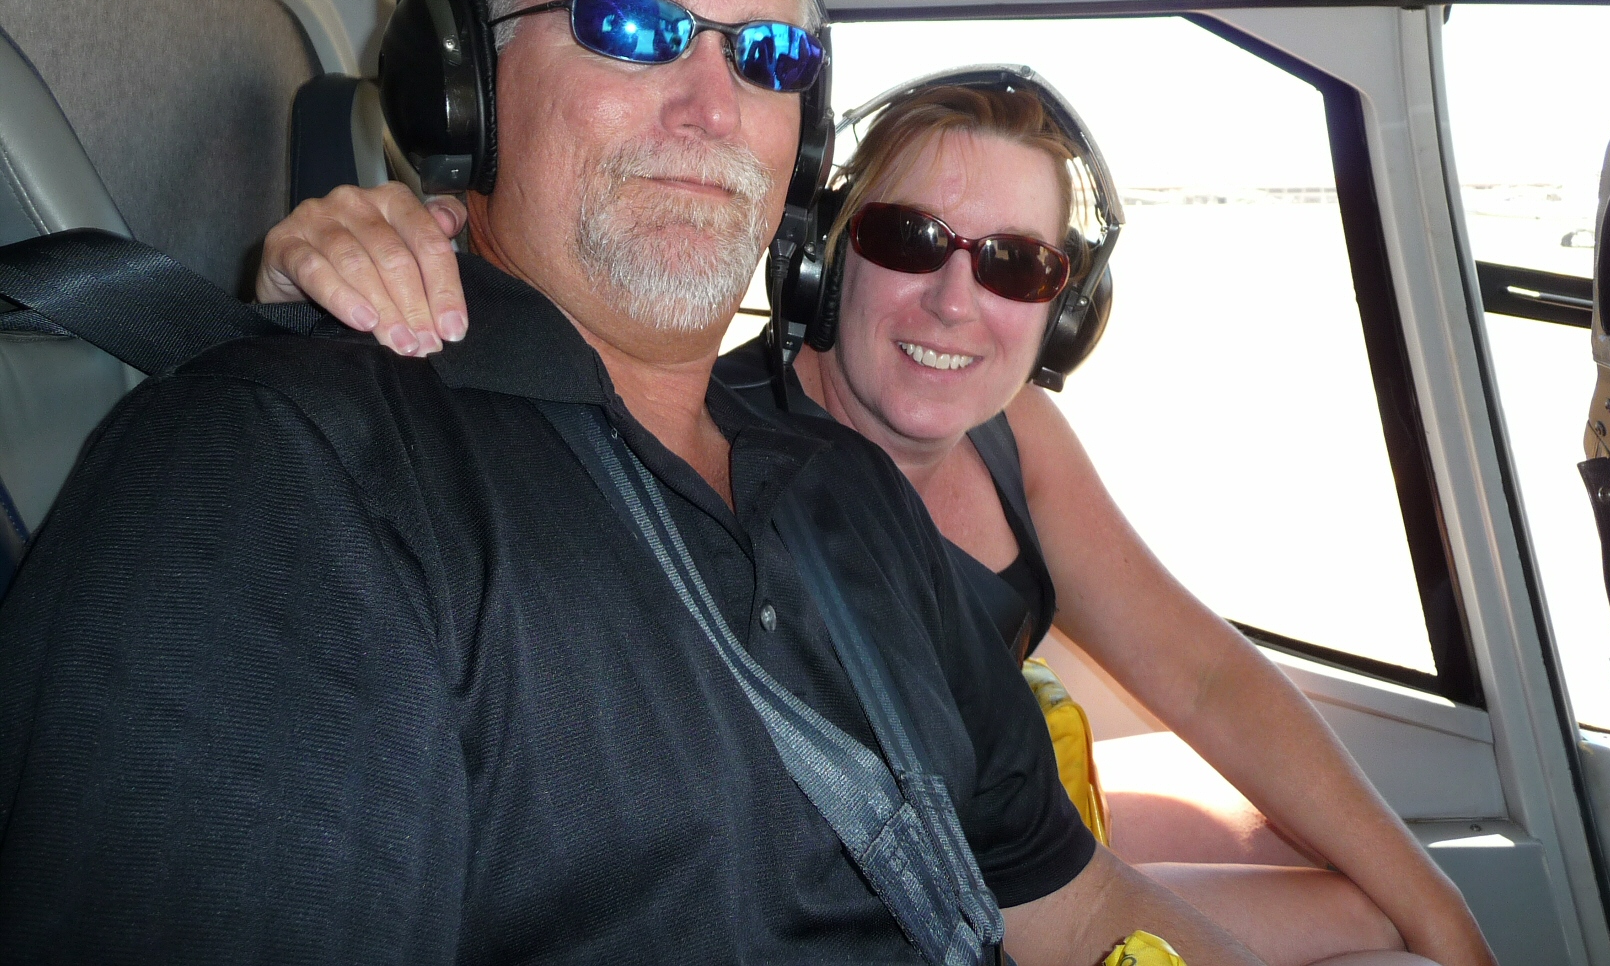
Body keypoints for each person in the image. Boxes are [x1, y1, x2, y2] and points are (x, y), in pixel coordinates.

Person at [0, 0, 1275, 964]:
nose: (712, 107)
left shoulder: (851, 495)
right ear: (466, 93)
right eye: (630, 29)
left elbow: (1077, 909)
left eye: (766, 55)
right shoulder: (279, 476)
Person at [254, 80, 1495, 966]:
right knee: (1369, 936)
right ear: (822, 261)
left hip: (1018, 839)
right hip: (911, 895)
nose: (957, 301)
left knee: (1390, 911)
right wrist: (340, 267)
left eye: (1017, 264)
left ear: (1062, 312)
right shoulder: (714, 456)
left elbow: (1206, 674)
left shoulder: (1019, 436)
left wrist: (1452, 917)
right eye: (911, 241)